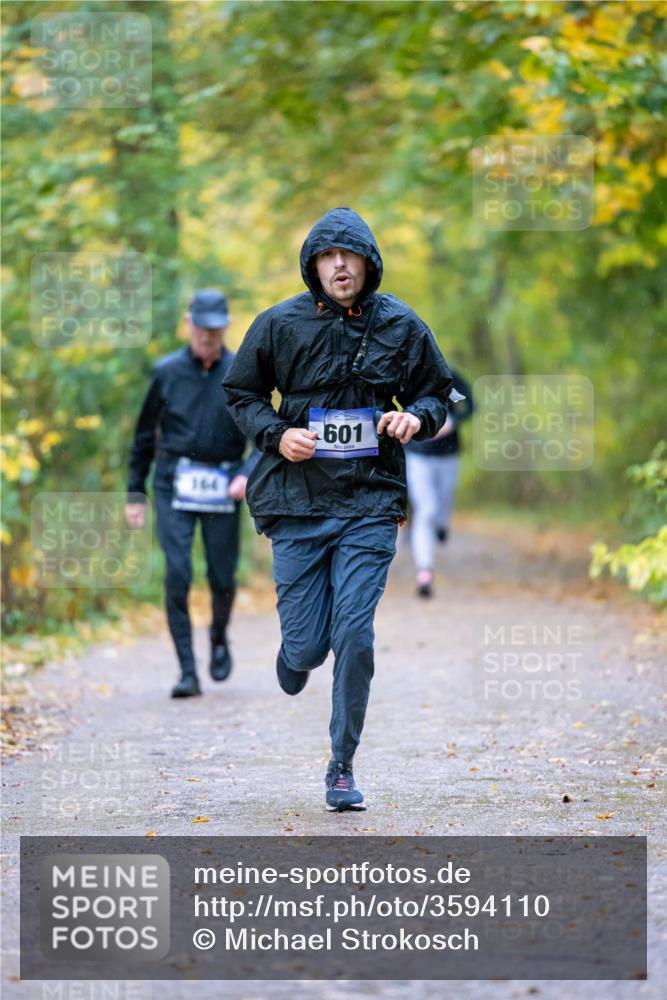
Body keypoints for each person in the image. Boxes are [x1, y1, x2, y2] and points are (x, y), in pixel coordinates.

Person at [222, 207, 454, 811]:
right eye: (328, 256)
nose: (340, 265)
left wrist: (415, 416)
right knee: (305, 649)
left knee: (354, 630)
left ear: (368, 263)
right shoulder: (278, 324)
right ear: (313, 265)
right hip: (296, 500)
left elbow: (437, 391)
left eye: (349, 256)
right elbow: (241, 392)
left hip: (370, 499)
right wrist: (277, 434)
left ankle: (342, 766)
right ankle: (295, 653)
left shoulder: (400, 323)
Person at [126, 289, 258, 699]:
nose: (208, 335)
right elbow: (144, 435)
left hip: (224, 485)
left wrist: (247, 473)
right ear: (189, 324)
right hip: (172, 483)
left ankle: (219, 637)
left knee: (221, 576)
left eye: (216, 328)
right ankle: (187, 671)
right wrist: (135, 491)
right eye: (201, 327)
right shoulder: (166, 372)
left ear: (226, 327)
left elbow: (266, 433)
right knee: (178, 572)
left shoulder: (242, 371)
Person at [405, 368, 474, 598]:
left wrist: (452, 423)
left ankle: (442, 525)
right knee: (427, 510)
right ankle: (424, 572)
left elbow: (471, 406)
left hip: (448, 455)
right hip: (417, 456)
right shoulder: (408, 376)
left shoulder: (451, 379)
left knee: (442, 506)